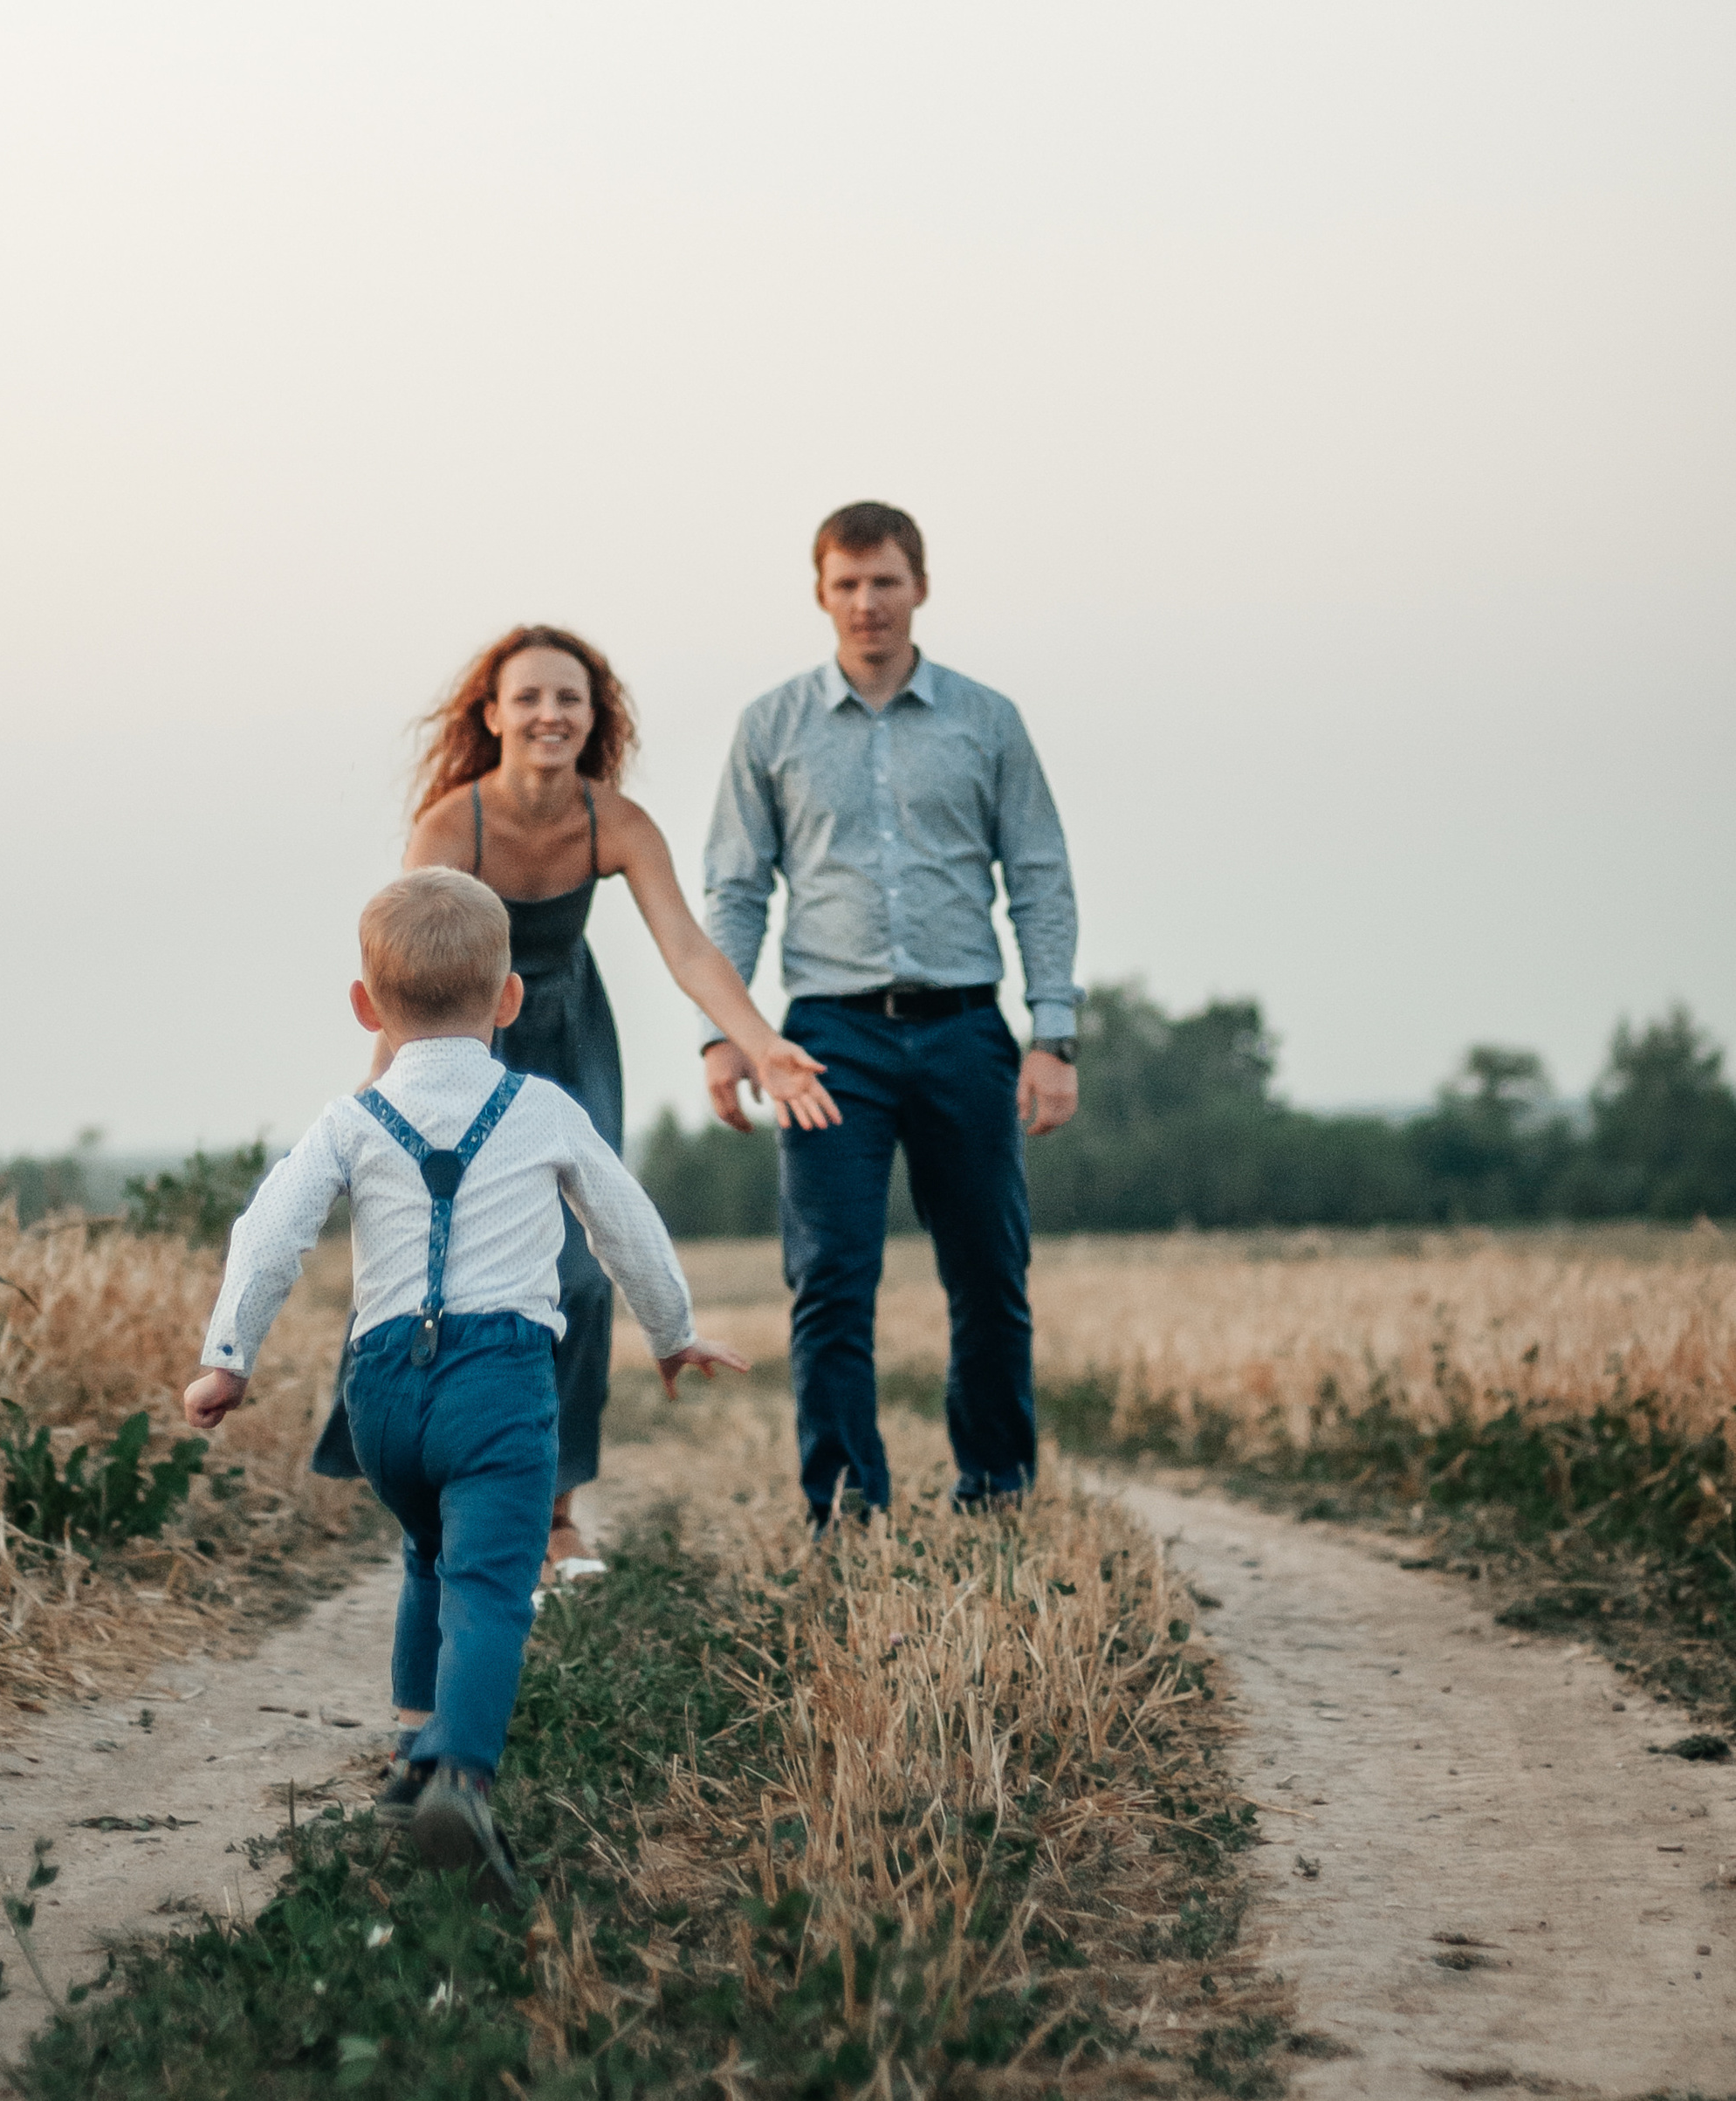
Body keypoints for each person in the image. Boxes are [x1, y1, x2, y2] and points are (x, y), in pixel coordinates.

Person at [186, 869, 745, 1905]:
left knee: (427, 1553)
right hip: (497, 1383)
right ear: (510, 1000)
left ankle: (410, 1759)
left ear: (365, 1007)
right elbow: (627, 1226)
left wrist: (229, 1357)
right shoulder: (543, 1109)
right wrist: (673, 1331)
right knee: (494, 1583)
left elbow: (268, 1235)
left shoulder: (349, 1120)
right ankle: (461, 1777)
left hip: (382, 1394)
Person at [312, 625, 838, 1575]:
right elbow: (408, 965)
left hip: (569, 1036)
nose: (550, 714)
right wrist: (374, 1102)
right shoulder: (451, 824)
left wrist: (760, 1046)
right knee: (425, 1245)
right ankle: (415, 1468)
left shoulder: (617, 822)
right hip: (465, 1030)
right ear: (493, 714)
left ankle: (555, 1509)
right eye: (530, 698)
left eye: (570, 698)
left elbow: (685, 946)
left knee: (583, 1275)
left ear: (594, 718)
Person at [700, 502, 1081, 1528]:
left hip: (965, 1027)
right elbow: (735, 892)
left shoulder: (986, 720)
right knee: (830, 1280)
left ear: (919, 585)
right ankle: (844, 1506)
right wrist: (728, 1040)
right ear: (821, 593)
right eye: (846, 584)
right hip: (825, 1042)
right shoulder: (770, 727)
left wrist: (1052, 1035)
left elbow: (1038, 878)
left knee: (990, 1273)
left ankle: (996, 1492)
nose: (867, 602)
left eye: (885, 581)